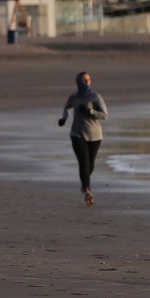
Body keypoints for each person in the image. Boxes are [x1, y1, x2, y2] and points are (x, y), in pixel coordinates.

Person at [58, 71, 108, 205]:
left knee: (90, 165)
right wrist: (63, 119)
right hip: (77, 133)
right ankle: (87, 190)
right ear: (78, 82)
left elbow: (105, 115)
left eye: (89, 80)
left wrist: (90, 111)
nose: (87, 82)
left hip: (95, 135)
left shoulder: (95, 97)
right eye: (84, 80)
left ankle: (84, 182)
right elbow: (67, 107)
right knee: (83, 163)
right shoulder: (73, 97)